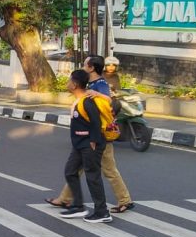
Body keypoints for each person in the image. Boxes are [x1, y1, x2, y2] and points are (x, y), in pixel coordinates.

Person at [45, 54, 135, 213]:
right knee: (75, 169)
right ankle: (65, 199)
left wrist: (97, 94)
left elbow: (108, 101)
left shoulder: (100, 83)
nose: (83, 67)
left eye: (85, 65)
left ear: (92, 68)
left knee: (108, 170)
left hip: (99, 134)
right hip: (87, 135)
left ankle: (124, 200)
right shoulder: (91, 83)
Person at [60, 69, 112, 223]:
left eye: (69, 80)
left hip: (90, 144)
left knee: (92, 176)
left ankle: (102, 212)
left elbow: (95, 121)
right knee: (70, 171)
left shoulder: (87, 101)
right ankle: (78, 206)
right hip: (79, 144)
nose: (67, 83)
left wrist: (94, 141)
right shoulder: (79, 100)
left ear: (75, 84)